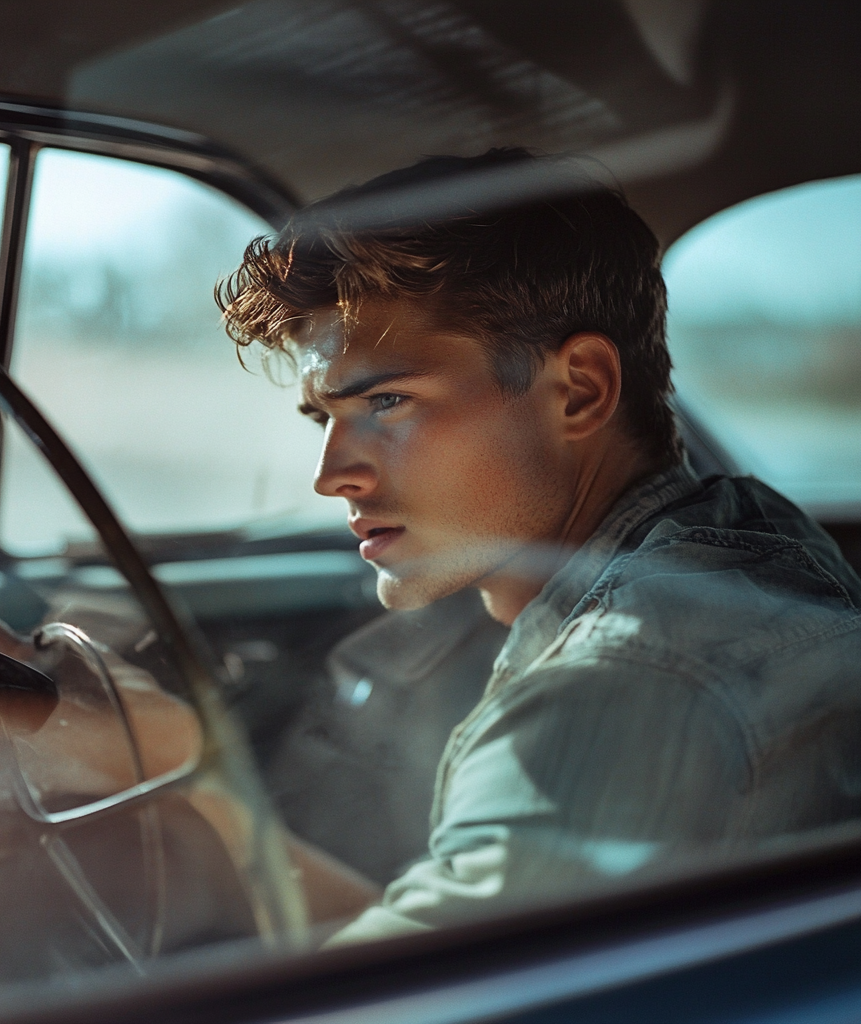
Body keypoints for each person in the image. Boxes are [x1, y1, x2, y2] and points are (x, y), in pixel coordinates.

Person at [216, 148, 861, 942]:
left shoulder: (632, 680)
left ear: (580, 389)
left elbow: (407, 998)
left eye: (388, 400)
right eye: (325, 419)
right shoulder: (736, 523)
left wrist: (194, 797)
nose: (330, 476)